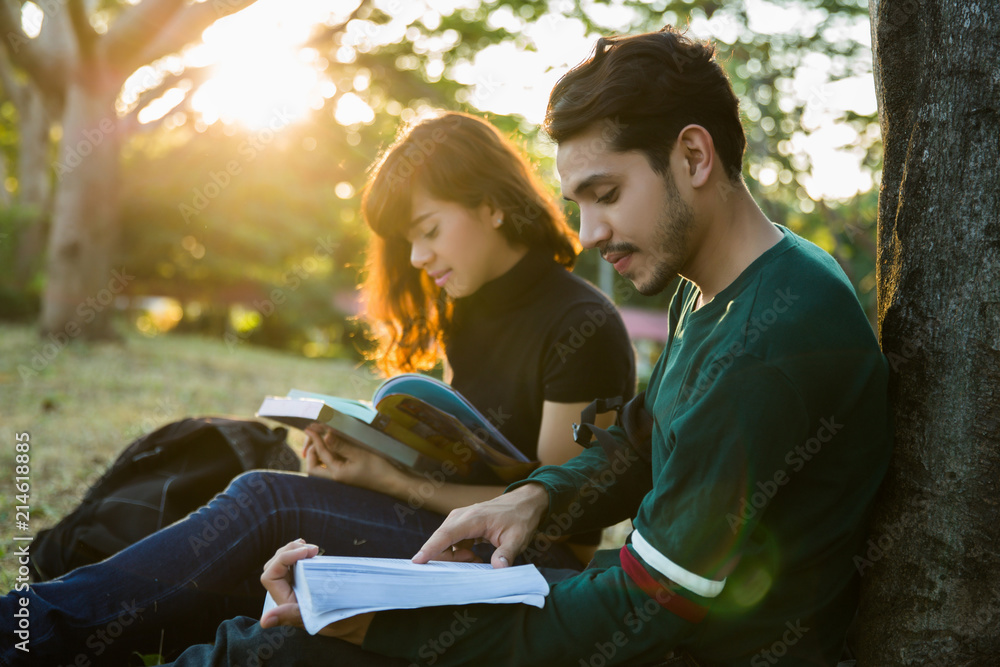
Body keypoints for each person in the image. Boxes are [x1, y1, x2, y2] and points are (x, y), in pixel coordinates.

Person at [229, 25, 891, 667]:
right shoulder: (725, 286)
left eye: (606, 195)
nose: (589, 232)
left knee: (302, 644)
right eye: (578, 202)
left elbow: (647, 603)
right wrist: (531, 497)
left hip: (694, 645)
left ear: (693, 156)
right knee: (281, 632)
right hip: (661, 618)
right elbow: (639, 439)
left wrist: (388, 626)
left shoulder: (770, 338)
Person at [0, 112, 635, 666]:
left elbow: (561, 517)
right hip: (446, 527)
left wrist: (390, 484)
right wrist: (369, 458)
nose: (416, 256)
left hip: (523, 569)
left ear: (491, 206)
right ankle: (50, 628)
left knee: (266, 501)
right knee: (257, 525)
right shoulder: (470, 309)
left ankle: (23, 631)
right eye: (409, 239)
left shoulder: (582, 323)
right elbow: (475, 449)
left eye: (429, 229)